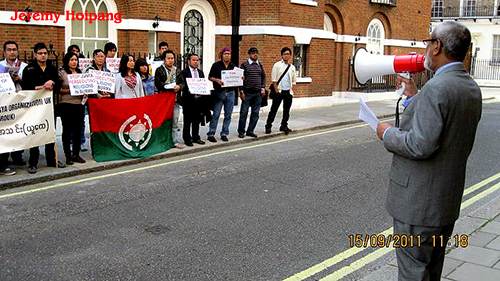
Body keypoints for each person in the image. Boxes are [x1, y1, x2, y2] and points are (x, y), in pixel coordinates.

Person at [376, 21, 482, 281]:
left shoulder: (437, 88)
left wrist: (386, 132)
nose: (425, 48)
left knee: (413, 273)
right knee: (431, 270)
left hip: (418, 206)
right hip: (444, 203)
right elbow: (441, 125)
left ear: (437, 46)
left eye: (428, 42)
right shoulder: (469, 87)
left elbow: (419, 144)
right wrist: (415, 96)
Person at [22, 42, 66, 173]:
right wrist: (43, 87)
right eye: (40, 53)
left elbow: (58, 86)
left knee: (50, 133)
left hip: (49, 106)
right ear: (35, 55)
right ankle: (33, 163)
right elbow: (26, 88)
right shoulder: (29, 69)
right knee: (35, 133)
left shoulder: (52, 69)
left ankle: (51, 160)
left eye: (45, 53)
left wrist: (52, 84)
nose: (43, 56)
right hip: (35, 107)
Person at [1, 40, 28, 167]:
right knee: (6, 131)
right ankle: (4, 158)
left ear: (17, 51)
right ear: (4, 52)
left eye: (14, 50)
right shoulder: (0, 66)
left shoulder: (24, 66)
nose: (12, 52)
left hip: (19, 102)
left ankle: (18, 155)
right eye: (9, 50)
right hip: (5, 103)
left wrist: (19, 80)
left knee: (19, 130)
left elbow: (29, 85)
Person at [58, 52, 86, 165]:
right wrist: (71, 90)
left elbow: (85, 86)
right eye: (71, 60)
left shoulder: (80, 73)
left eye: (76, 60)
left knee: (78, 130)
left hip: (79, 104)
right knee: (67, 130)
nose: (74, 62)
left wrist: (84, 93)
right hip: (66, 103)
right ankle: (68, 155)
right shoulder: (62, 73)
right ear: (67, 61)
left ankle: (76, 154)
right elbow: (58, 89)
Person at [207, 47, 238, 142]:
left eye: (229, 54)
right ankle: (211, 133)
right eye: (225, 54)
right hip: (219, 93)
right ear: (222, 55)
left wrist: (241, 78)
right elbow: (209, 77)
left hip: (231, 93)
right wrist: (217, 80)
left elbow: (237, 78)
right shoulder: (216, 65)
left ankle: (224, 133)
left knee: (228, 115)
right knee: (216, 114)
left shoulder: (233, 66)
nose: (227, 56)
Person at [177, 54, 208, 146]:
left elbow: (203, 84)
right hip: (188, 99)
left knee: (197, 119)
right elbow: (181, 84)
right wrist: (188, 89)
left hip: (198, 99)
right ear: (189, 61)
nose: (196, 62)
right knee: (187, 120)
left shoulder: (200, 72)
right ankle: (187, 138)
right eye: (194, 60)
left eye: (197, 60)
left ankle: (196, 137)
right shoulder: (184, 72)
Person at [154, 50, 183, 148]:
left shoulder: (178, 71)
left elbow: (183, 83)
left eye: (172, 58)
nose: (171, 60)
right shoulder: (159, 70)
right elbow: (157, 83)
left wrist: (179, 86)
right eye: (168, 58)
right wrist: (168, 86)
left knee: (175, 121)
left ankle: (175, 141)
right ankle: (162, 141)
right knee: (163, 121)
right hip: (164, 101)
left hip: (175, 100)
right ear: (164, 59)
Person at [265, 47, 297, 135]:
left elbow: (294, 80)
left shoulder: (292, 67)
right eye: (285, 54)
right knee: (274, 110)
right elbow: (274, 80)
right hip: (279, 91)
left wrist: (291, 90)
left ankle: (284, 125)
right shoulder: (277, 65)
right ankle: (268, 126)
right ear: (282, 55)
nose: (287, 56)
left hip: (288, 92)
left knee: (286, 110)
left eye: (288, 54)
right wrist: (276, 92)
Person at [238, 47, 266, 138]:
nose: (255, 54)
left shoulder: (260, 65)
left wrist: (263, 88)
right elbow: (240, 78)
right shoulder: (244, 65)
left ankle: (250, 131)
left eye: (256, 53)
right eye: (253, 53)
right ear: (249, 54)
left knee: (255, 113)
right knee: (244, 113)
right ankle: (241, 131)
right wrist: (241, 91)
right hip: (247, 92)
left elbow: (263, 77)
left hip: (258, 93)